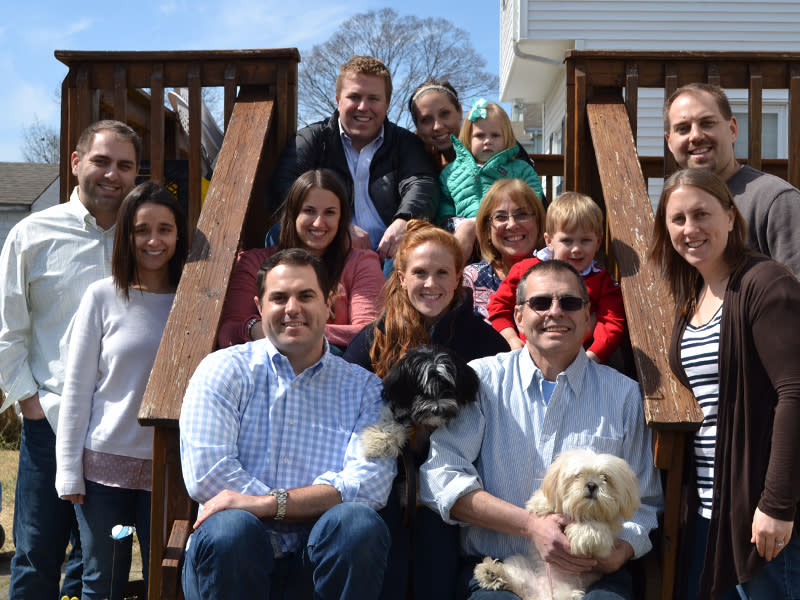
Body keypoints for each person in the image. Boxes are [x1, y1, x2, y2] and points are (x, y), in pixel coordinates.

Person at [420, 259, 662, 600]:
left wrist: (620, 551)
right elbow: (441, 478)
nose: (555, 312)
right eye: (540, 302)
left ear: (588, 317)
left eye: (570, 302)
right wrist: (531, 525)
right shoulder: (482, 381)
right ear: (518, 316)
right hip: (501, 572)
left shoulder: (624, 396)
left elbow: (646, 502)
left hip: (592, 575)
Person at [180, 248, 396, 600]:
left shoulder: (365, 389)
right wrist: (302, 504)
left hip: (316, 560)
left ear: (329, 303)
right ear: (259, 306)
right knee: (233, 528)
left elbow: (369, 486)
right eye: (279, 297)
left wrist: (270, 504)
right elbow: (209, 477)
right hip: (236, 559)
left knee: (357, 525)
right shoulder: (223, 370)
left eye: (306, 296)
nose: (292, 308)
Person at [0, 120, 141, 599]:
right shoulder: (31, 234)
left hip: (114, 429)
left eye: (125, 165)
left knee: (97, 562)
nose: (112, 174)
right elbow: (8, 330)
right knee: (37, 555)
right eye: (101, 161)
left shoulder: (147, 241)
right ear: (76, 163)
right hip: (49, 421)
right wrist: (29, 403)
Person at [648, 167, 800, 599]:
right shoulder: (693, 296)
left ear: (731, 217)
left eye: (702, 214)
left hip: (765, 515)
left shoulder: (766, 284)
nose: (689, 229)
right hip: (714, 512)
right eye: (677, 219)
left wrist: (776, 504)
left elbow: (794, 394)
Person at [344, 219, 508, 600]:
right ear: (401, 277)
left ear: (458, 279)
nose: (430, 284)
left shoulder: (485, 342)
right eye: (420, 273)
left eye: (441, 273)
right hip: (386, 482)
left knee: (438, 568)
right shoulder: (373, 339)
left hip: (456, 488)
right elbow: (349, 410)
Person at [55, 181, 187, 599]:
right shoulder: (102, 296)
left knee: (162, 580)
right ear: (126, 236)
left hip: (170, 466)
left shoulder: (193, 303)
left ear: (179, 234)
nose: (153, 240)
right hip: (104, 469)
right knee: (103, 581)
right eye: (141, 229)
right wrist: (69, 471)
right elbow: (76, 391)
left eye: (165, 229)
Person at [268, 55, 439, 262]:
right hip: (329, 249)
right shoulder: (311, 140)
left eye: (373, 99)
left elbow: (421, 183)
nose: (362, 107)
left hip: (390, 254)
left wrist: (405, 220)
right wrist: (339, 228)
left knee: (411, 249)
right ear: (339, 100)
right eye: (354, 97)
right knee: (277, 232)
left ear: (387, 104)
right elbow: (284, 188)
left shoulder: (406, 144)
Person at [218, 169, 384, 354]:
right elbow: (228, 333)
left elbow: (370, 334)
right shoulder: (254, 262)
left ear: (341, 219)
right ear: (293, 214)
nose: (318, 223)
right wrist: (253, 328)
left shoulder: (360, 262)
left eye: (329, 212)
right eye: (309, 211)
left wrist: (293, 331)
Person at [663, 82, 800, 276]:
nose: (695, 136)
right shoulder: (677, 212)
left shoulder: (775, 202)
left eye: (707, 123)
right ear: (669, 142)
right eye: (683, 129)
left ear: (733, 129)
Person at [488, 192, 626, 363]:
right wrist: (512, 339)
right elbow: (498, 306)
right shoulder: (525, 269)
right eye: (567, 241)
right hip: (527, 357)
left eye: (585, 240)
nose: (576, 249)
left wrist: (592, 357)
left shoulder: (602, 280)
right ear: (549, 241)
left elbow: (612, 324)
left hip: (580, 358)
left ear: (598, 242)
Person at [437, 99, 545, 264]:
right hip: (467, 238)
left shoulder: (519, 169)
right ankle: (453, 273)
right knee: (465, 227)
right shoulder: (452, 173)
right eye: (480, 135)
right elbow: (444, 207)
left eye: (495, 135)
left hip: (505, 230)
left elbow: (534, 200)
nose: (487, 141)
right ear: (468, 137)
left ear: (506, 137)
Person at [407, 78, 539, 176]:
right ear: (417, 124)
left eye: (445, 114)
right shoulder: (413, 159)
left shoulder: (497, 145)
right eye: (426, 120)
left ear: (459, 110)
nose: (437, 126)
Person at [463, 178, 546, 320]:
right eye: (501, 217)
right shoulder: (472, 279)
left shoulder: (557, 274)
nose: (512, 225)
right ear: (487, 231)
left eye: (522, 214)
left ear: (538, 223)